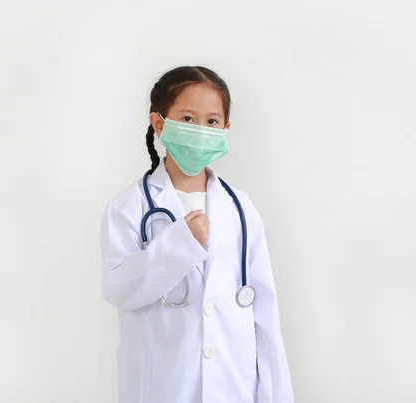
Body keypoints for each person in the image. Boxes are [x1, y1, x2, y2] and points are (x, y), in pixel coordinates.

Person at [99, 66, 294, 403]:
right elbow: (118, 287)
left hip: (234, 385)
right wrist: (180, 243)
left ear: (225, 129)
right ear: (159, 123)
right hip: (165, 386)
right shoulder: (128, 208)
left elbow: (264, 309)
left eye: (212, 122)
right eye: (188, 119)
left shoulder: (240, 209)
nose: (201, 130)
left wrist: (276, 394)